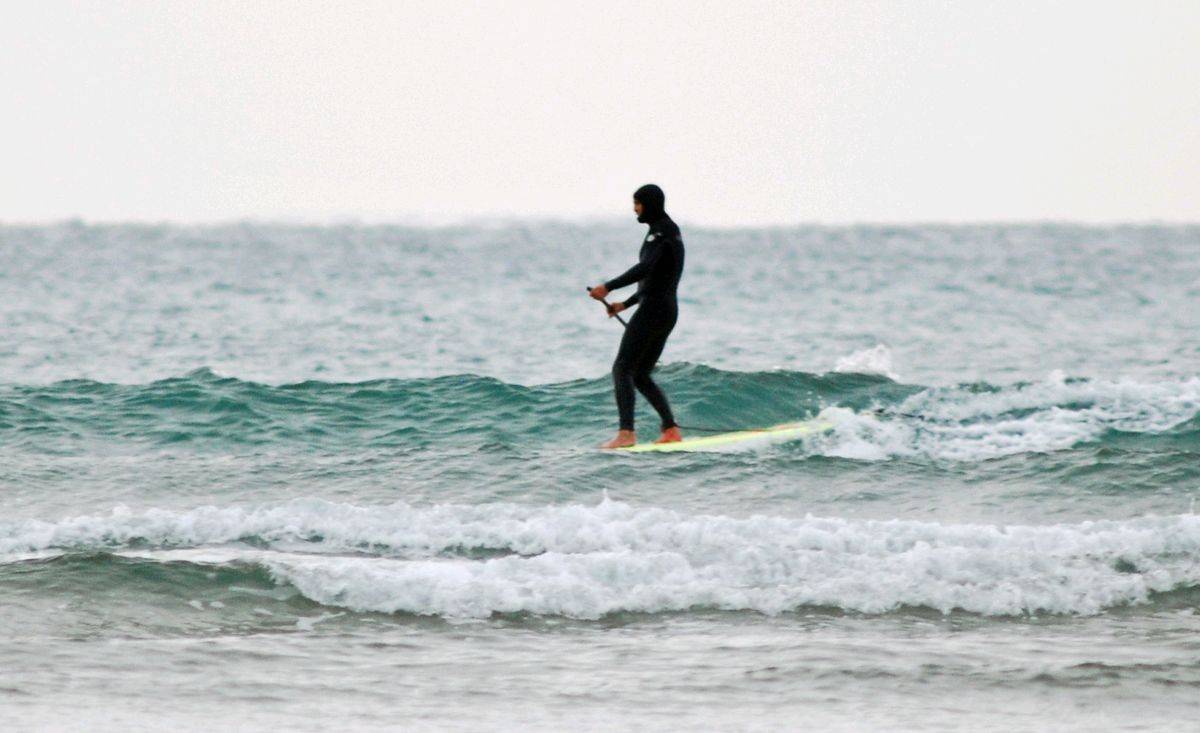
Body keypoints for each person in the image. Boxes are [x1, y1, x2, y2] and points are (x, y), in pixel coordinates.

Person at [588, 184, 685, 449]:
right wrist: (625, 304)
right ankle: (671, 430)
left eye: (638, 203)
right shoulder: (669, 231)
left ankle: (626, 434)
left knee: (622, 368)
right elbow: (657, 278)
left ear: (649, 204)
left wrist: (608, 287)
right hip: (666, 310)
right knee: (640, 373)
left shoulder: (660, 232)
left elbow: (645, 269)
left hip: (653, 310)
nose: (635, 209)